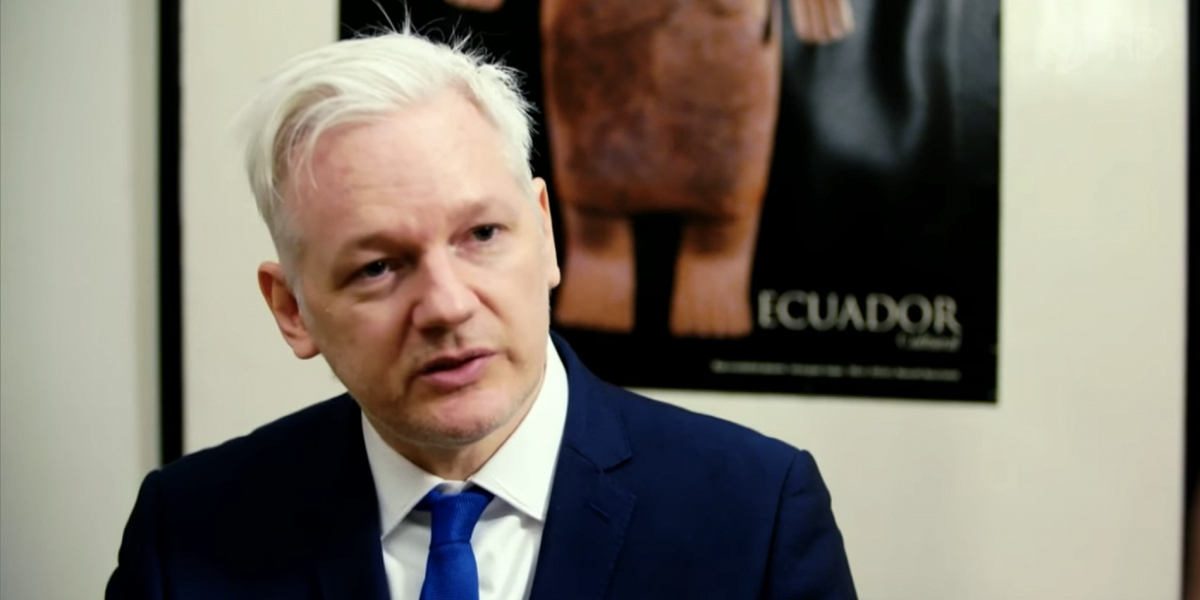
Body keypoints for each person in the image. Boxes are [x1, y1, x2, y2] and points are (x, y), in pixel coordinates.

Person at [106, 27, 857, 600]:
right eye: (377, 267)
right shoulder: (187, 533)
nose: (447, 305)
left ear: (545, 233)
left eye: (483, 235)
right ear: (292, 310)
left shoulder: (756, 515)